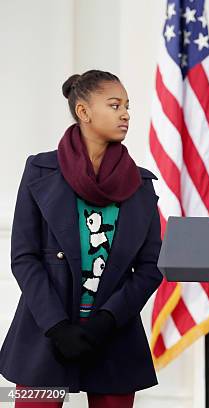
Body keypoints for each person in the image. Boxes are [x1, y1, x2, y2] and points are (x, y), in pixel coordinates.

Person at [0, 70, 163, 408]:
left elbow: (150, 267)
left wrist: (107, 320)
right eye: (115, 105)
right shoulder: (40, 171)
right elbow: (24, 257)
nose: (126, 114)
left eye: (127, 106)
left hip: (114, 335)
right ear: (83, 112)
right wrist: (57, 326)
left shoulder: (142, 184)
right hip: (44, 333)